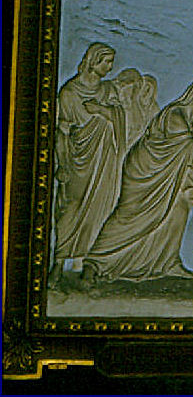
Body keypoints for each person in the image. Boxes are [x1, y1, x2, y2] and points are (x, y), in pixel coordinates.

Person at [81, 79, 193, 283]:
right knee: (130, 215)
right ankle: (95, 262)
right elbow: (190, 151)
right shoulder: (175, 115)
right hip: (145, 171)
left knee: (179, 208)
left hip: (171, 175)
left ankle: (168, 263)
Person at [48, 43, 126, 287]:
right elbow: (62, 132)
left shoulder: (108, 90)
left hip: (103, 162)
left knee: (97, 212)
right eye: (106, 62)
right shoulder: (69, 93)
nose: (110, 67)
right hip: (76, 160)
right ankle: (58, 263)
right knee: (69, 209)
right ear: (93, 61)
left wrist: (101, 110)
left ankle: (84, 265)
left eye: (111, 62)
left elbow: (120, 121)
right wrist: (62, 164)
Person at [114, 69, 160, 148]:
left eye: (124, 85)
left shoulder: (151, 107)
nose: (121, 91)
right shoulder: (120, 105)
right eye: (120, 86)